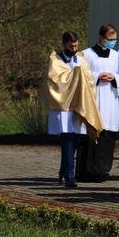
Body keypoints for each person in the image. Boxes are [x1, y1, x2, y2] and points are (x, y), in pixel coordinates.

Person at [44, 31, 104, 188]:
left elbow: (89, 80)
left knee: (76, 140)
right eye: (71, 46)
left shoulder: (81, 58)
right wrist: (76, 76)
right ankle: (70, 176)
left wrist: (82, 78)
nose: (74, 48)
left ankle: (63, 171)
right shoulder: (55, 60)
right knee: (67, 140)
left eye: (76, 45)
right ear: (64, 45)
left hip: (79, 104)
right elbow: (55, 81)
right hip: (63, 106)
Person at [78, 24, 119, 182]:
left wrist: (115, 78)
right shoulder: (86, 54)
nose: (112, 42)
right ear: (101, 38)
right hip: (94, 99)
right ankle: (87, 171)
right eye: (109, 39)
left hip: (110, 98)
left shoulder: (116, 55)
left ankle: (103, 170)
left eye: (114, 39)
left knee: (107, 135)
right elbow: (80, 75)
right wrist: (97, 76)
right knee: (90, 134)